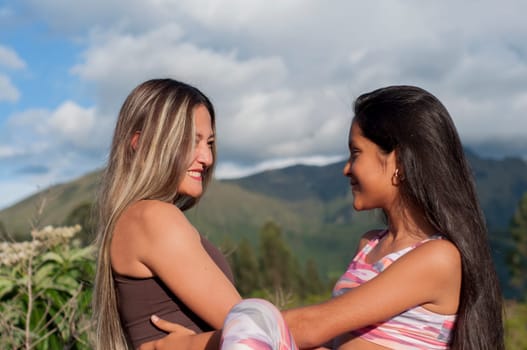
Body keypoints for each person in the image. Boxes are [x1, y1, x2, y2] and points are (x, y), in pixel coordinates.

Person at [147, 85, 504, 350]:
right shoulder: (370, 245)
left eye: (355, 153)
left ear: (397, 163)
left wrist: (190, 345)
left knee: (254, 313)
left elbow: (315, 324)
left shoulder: (437, 258)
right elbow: (333, 339)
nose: (347, 169)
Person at [92, 78, 242, 350]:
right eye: (191, 141)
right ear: (140, 143)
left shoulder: (134, 219)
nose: (207, 158)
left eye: (208, 143)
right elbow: (254, 331)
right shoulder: (152, 217)